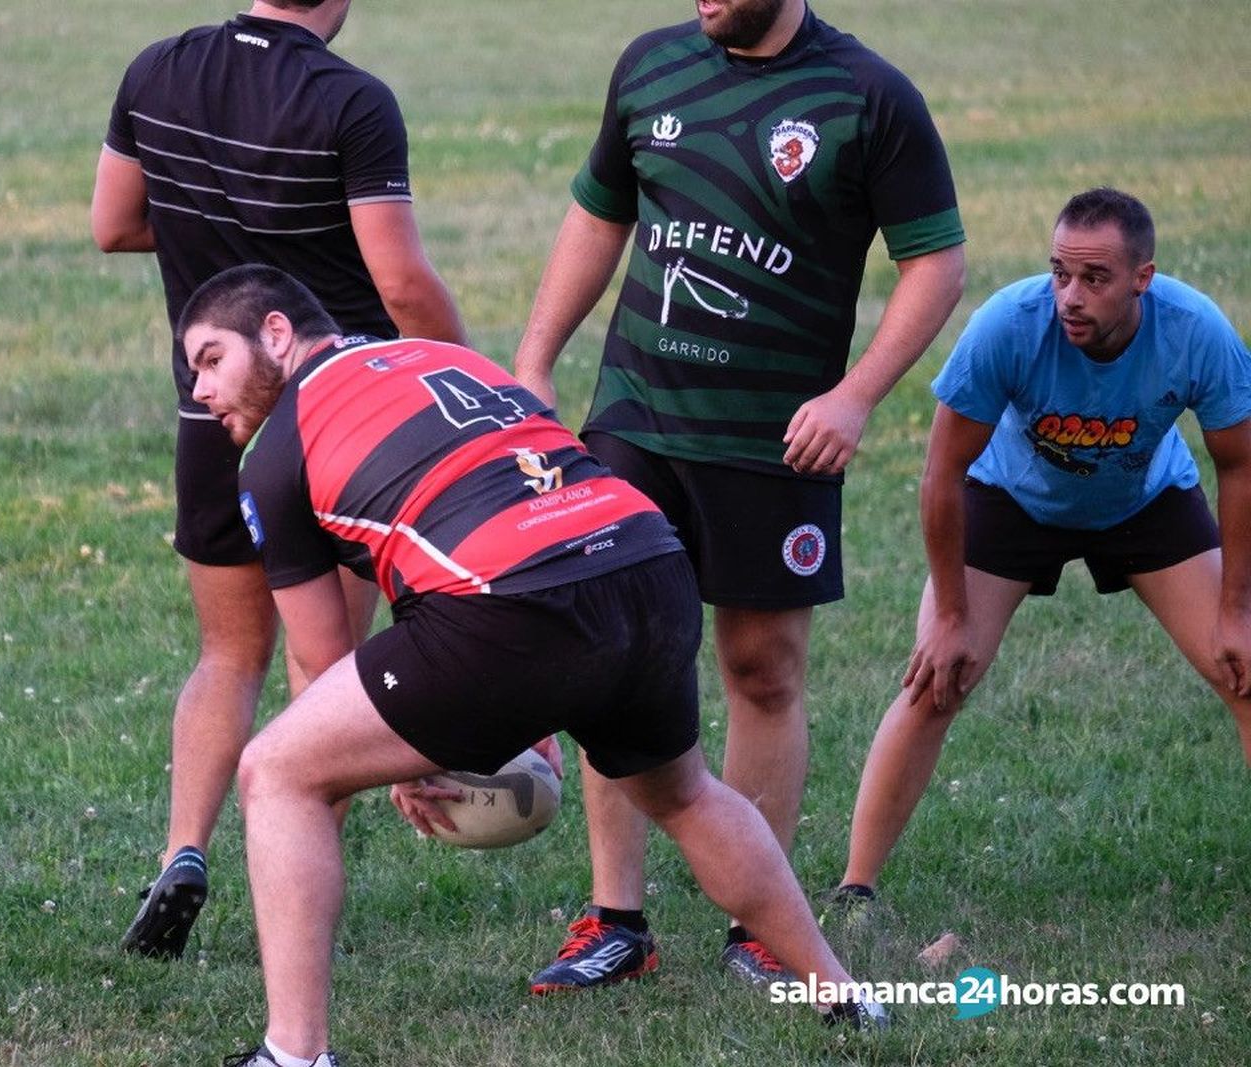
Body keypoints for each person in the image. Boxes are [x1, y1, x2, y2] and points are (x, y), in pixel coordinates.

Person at [177, 264, 884, 1067]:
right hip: (647, 564)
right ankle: (842, 992)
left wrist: (401, 757)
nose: (199, 389)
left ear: (276, 333)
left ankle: (294, 1055)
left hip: (513, 609)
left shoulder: (275, 455)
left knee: (276, 770)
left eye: (210, 359)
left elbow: (322, 659)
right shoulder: (446, 358)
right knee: (684, 793)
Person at [510, 0, 968, 991]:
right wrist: (536, 358)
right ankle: (614, 919)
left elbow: (935, 261)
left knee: (761, 668)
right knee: (613, 645)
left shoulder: (869, 98)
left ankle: (755, 925)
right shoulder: (650, 67)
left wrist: (853, 396)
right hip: (635, 416)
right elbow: (600, 213)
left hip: (774, 441)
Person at [89, 0, 464, 958]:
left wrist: (209, 243)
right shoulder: (352, 101)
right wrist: (465, 375)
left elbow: (113, 223)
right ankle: (291, 904)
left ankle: (183, 850)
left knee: (226, 653)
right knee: (324, 665)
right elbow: (405, 284)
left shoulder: (156, 69)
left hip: (209, 412)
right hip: (335, 421)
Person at [828, 188, 1251, 907]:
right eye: (1060, 273)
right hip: (1011, 499)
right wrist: (952, 612)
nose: (1070, 297)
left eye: (1095, 279)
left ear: (1143, 279)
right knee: (937, 675)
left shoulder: (1195, 332)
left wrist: (1237, 607)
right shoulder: (1008, 326)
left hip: (1145, 499)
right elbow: (942, 473)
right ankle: (854, 887)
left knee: (1244, 665)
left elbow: (1239, 466)